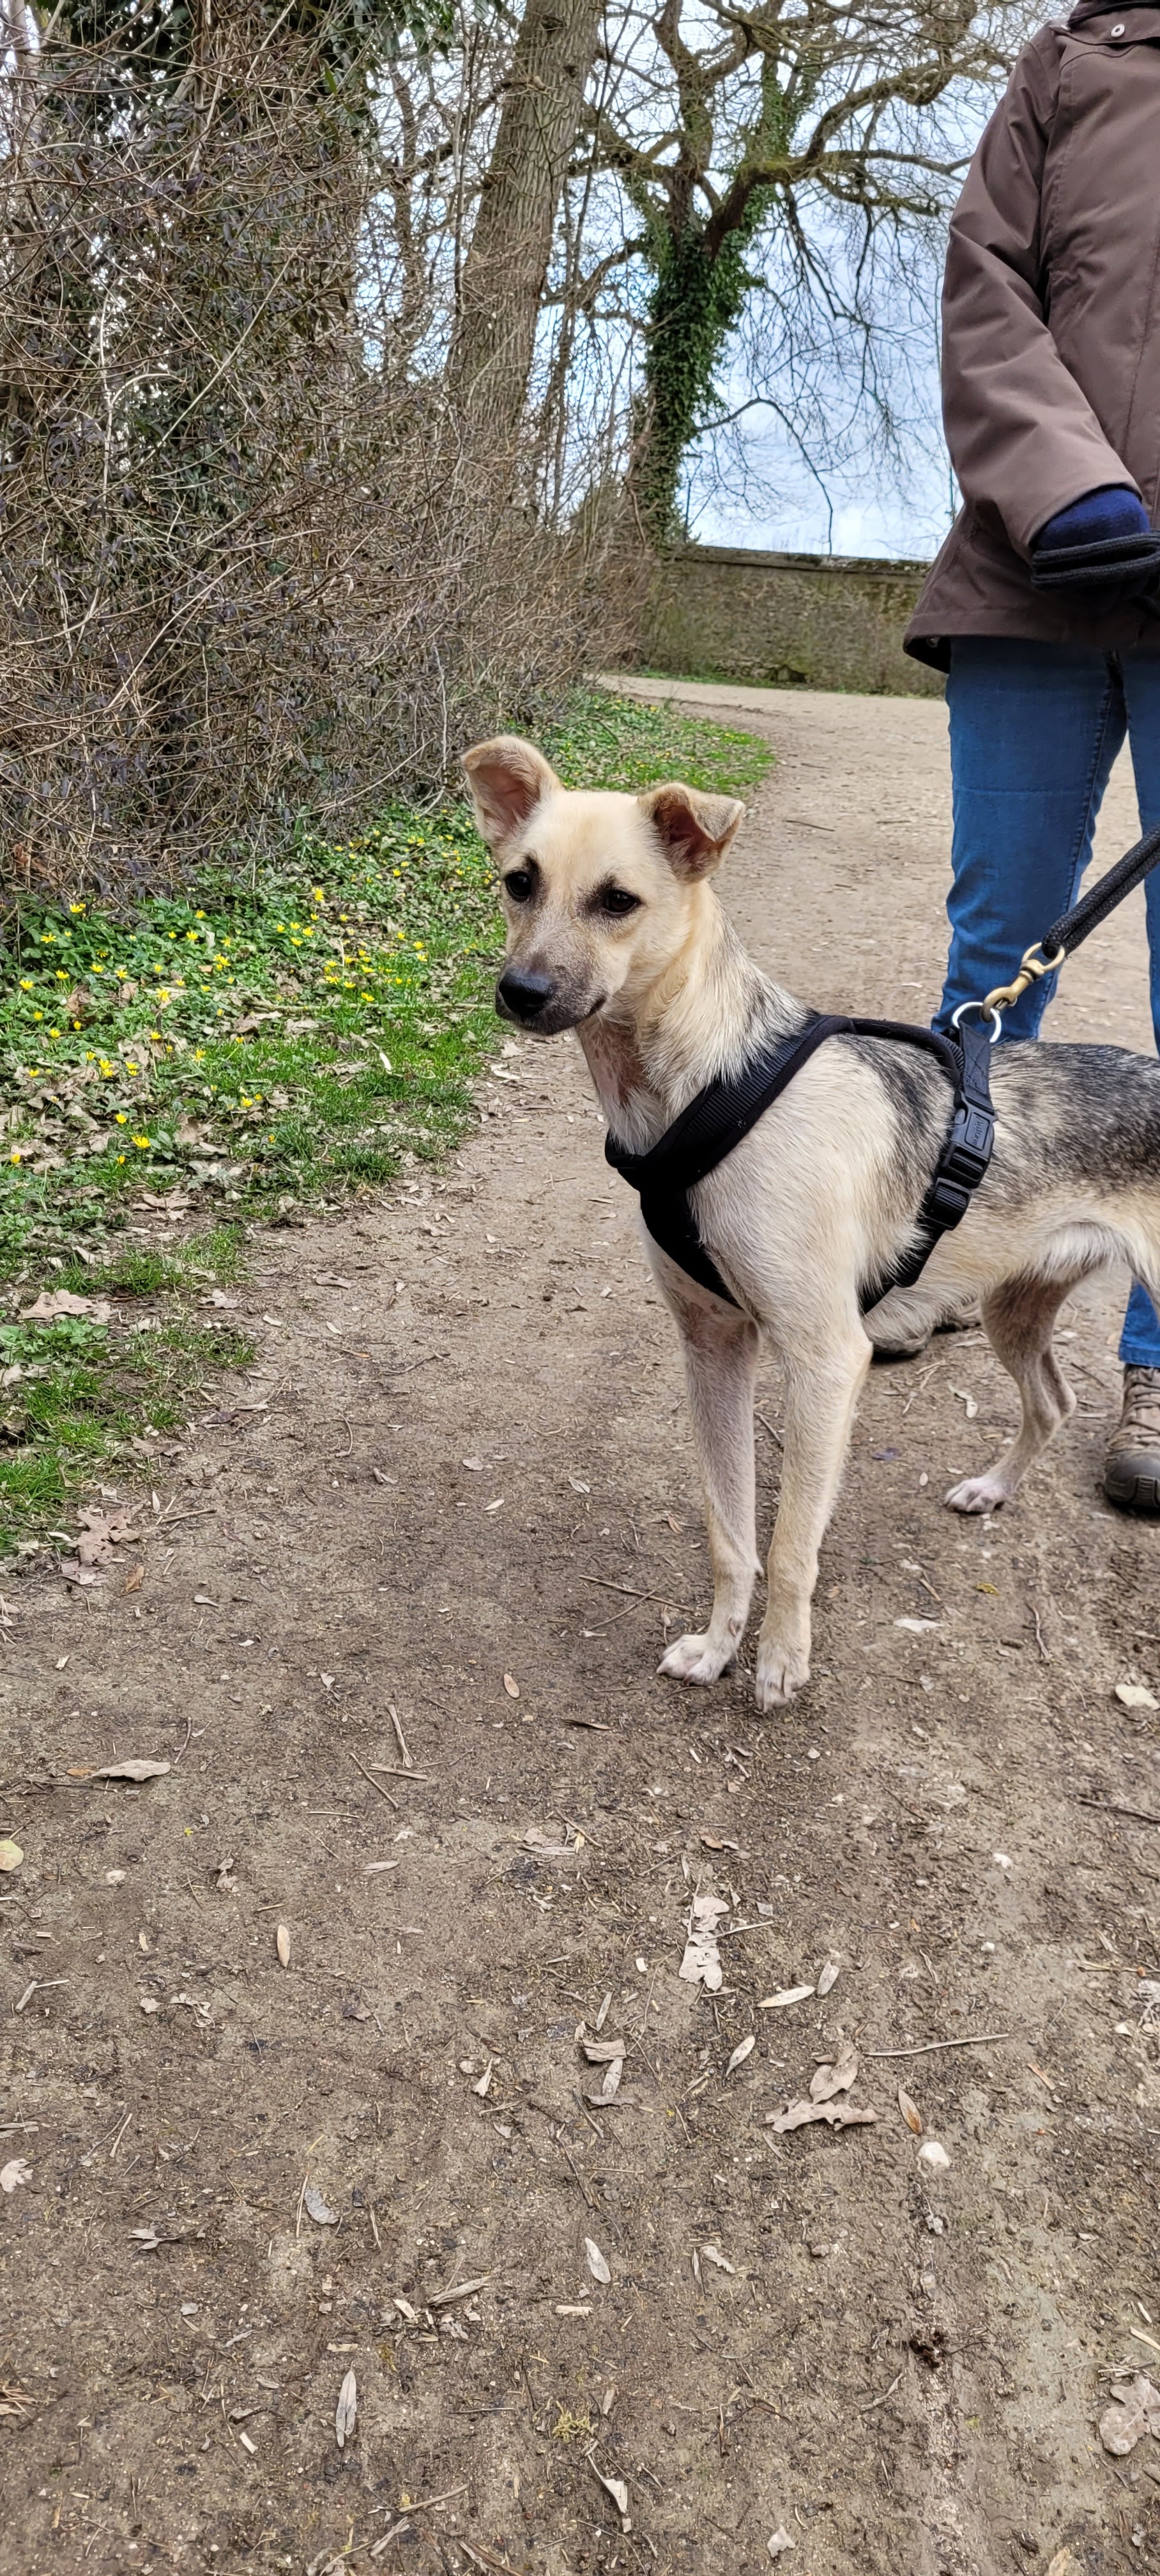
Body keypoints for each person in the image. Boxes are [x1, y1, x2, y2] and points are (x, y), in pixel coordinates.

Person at [905, 0, 1160, 1513]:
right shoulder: (1068, 67)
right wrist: (1063, 488)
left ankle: (1157, 1353)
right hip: (1030, 578)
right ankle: (935, 1244)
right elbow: (982, 279)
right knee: (994, 948)